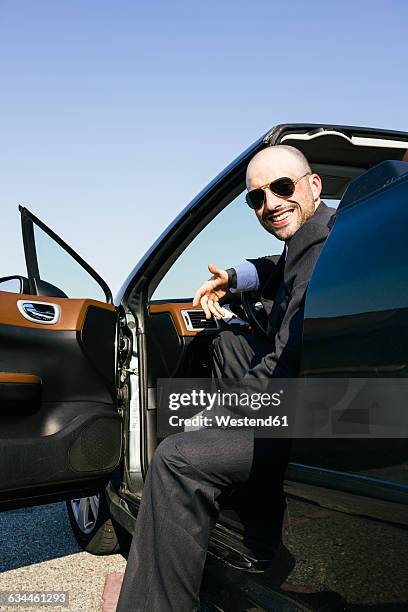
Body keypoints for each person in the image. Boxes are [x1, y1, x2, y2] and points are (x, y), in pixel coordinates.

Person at [116, 145, 336, 612]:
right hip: (319, 400)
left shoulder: (319, 250)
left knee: (176, 457)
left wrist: (209, 419)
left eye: (282, 188)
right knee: (225, 344)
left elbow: (284, 366)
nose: (270, 204)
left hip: (314, 413)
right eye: (257, 198)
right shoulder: (322, 233)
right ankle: (249, 511)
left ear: (313, 185)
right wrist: (237, 277)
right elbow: (282, 266)